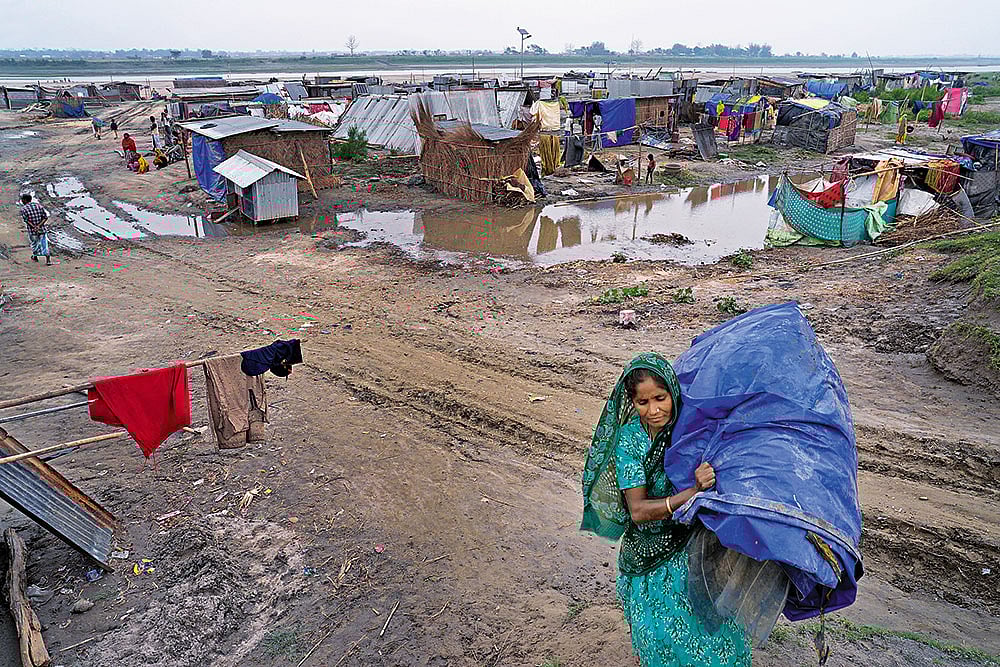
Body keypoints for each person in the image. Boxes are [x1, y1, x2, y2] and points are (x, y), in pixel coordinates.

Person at [581, 353, 750, 667]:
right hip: (650, 556)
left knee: (713, 630)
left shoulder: (690, 427)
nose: (654, 410)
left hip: (692, 547)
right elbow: (639, 511)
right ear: (632, 402)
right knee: (663, 637)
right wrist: (693, 492)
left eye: (661, 398)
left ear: (673, 392)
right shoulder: (630, 441)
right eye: (643, 402)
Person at [19, 193, 51, 265]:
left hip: (32, 230)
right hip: (42, 229)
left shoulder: (24, 209)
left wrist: (34, 227)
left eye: (22, 200)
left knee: (34, 243)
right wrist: (39, 226)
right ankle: (48, 260)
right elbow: (45, 217)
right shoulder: (38, 206)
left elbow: (26, 220)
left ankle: (35, 256)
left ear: (24, 200)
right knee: (44, 243)